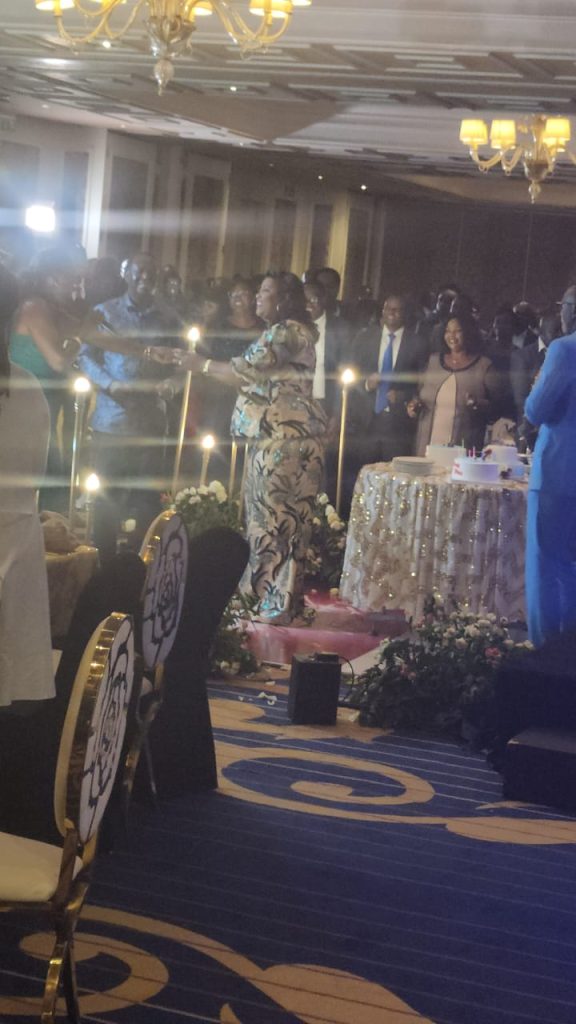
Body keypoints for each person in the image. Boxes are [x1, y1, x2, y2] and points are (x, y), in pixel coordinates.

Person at [158, 271, 327, 623]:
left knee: (275, 519)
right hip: (282, 436)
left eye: (265, 291)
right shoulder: (289, 331)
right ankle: (269, 597)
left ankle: (271, 602)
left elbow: (245, 371)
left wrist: (200, 364)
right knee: (273, 518)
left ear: (283, 299)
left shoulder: (285, 331)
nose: (257, 297)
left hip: (283, 439)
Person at [78, 251, 184, 562]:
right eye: (139, 271)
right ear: (126, 275)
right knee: (107, 499)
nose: (145, 277)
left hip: (150, 422)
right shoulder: (104, 312)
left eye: (151, 272)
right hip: (112, 420)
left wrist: (172, 385)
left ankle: (140, 565)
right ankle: (104, 564)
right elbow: (85, 355)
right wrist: (110, 384)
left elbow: (182, 364)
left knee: (147, 501)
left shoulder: (169, 318)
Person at [9, 244, 88, 506]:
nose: (76, 283)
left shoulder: (52, 310)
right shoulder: (34, 308)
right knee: (41, 483)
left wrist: (147, 351)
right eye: (72, 277)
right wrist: (77, 342)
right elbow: (58, 361)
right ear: (53, 278)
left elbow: (89, 332)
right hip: (26, 409)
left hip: (44, 409)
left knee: (51, 478)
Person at [524, 284, 576, 647]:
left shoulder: (564, 349)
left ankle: (545, 649)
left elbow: (536, 409)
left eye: (563, 306)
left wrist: (537, 386)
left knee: (546, 564)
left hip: (560, 469)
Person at [343, 294, 428, 511]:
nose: (392, 313)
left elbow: (422, 383)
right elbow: (350, 372)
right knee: (363, 477)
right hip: (366, 420)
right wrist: (366, 384)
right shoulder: (365, 338)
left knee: (394, 479)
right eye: (388, 309)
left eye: (397, 310)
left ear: (405, 314)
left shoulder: (417, 343)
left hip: (397, 423)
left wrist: (403, 395)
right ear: (382, 311)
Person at [410, 315, 507, 454]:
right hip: (426, 446)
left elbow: (498, 407)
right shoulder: (433, 361)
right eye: (448, 331)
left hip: (463, 450)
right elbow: (418, 394)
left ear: (468, 333)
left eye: (457, 331)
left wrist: (477, 404)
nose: (452, 336)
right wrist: (414, 405)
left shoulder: (484, 366)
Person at [512, 308, 561, 451]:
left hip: (557, 432)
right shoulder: (523, 357)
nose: (560, 336)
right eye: (555, 331)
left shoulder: (566, 355)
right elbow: (521, 399)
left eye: (561, 331)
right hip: (530, 431)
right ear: (541, 332)